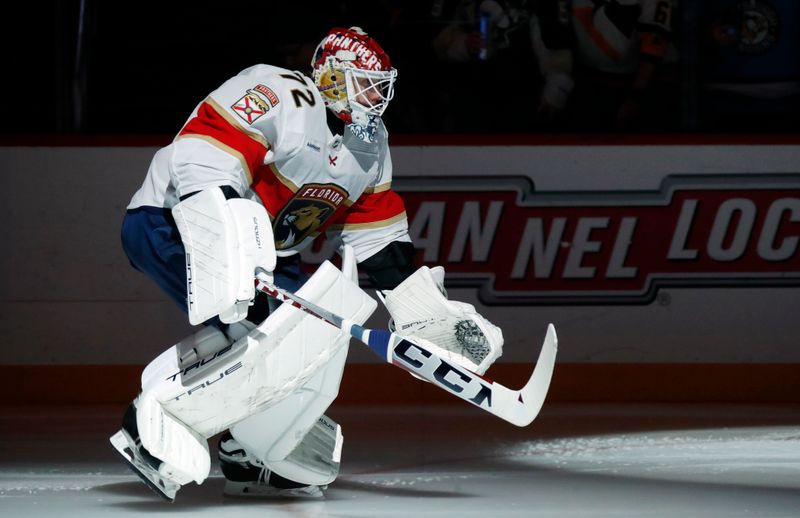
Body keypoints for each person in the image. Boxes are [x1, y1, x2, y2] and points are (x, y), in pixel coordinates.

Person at [110, 26, 504, 501]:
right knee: (255, 334)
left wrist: (423, 312)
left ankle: (253, 450)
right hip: (173, 220)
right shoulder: (281, 91)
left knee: (308, 347)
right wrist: (228, 235)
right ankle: (157, 418)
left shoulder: (371, 144)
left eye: (382, 85)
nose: (377, 96)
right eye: (366, 82)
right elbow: (206, 153)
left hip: (269, 255)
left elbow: (376, 236)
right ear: (332, 76)